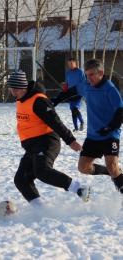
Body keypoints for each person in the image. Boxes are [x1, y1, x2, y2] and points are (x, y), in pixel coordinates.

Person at [7, 70, 90, 208]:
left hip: (46, 142)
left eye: (15, 90)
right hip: (32, 146)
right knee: (21, 179)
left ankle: (79, 189)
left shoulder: (39, 100)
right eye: (11, 90)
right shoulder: (20, 98)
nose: (13, 93)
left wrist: (70, 139)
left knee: (42, 171)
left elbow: (55, 121)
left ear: (23, 87)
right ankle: (40, 210)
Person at [51, 58, 123, 194]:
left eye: (91, 74)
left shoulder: (110, 89)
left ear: (101, 73)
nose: (88, 78)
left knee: (113, 166)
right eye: (87, 74)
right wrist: (58, 98)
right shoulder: (87, 85)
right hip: (93, 136)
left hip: (110, 134)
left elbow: (120, 111)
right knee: (83, 168)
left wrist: (110, 127)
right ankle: (110, 172)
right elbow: (72, 91)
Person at [65, 57, 86, 132]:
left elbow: (84, 82)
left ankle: (82, 122)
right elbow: (66, 83)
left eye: (71, 63)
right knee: (72, 110)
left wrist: (83, 91)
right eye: (69, 64)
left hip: (77, 92)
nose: (70, 65)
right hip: (70, 93)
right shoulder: (68, 72)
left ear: (75, 63)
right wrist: (65, 92)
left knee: (75, 108)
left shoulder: (80, 71)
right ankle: (76, 128)